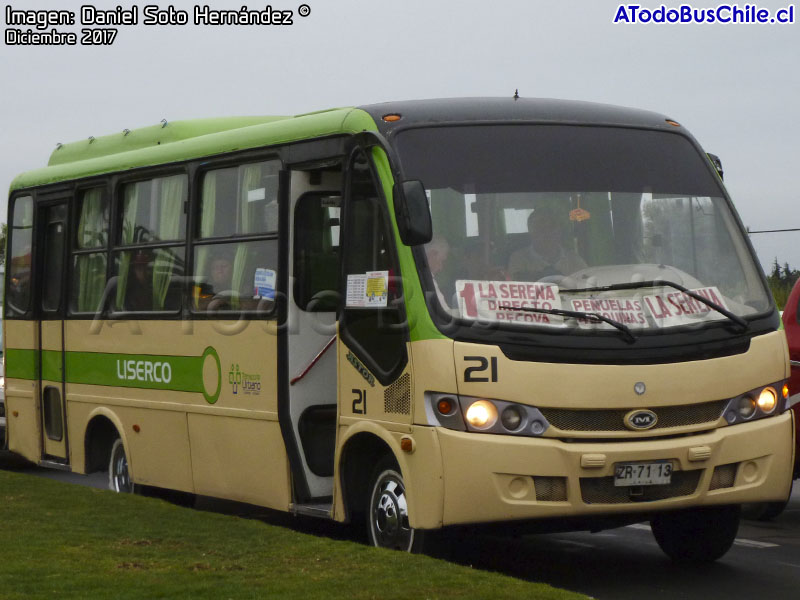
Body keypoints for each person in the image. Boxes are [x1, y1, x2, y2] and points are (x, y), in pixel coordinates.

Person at [507, 207, 587, 281]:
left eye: (551, 227)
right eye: (540, 228)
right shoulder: (519, 259)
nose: (547, 233)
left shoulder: (574, 260)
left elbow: (587, 286)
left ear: (559, 231)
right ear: (531, 232)